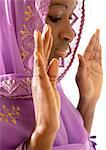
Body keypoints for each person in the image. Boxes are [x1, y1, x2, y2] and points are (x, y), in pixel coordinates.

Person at [0, 0, 103, 150]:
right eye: (56, 17)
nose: (70, 34)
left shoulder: (49, 89)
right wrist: (44, 130)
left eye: (70, 17)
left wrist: (88, 104)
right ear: (16, 18)